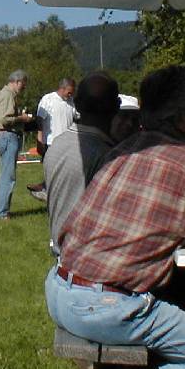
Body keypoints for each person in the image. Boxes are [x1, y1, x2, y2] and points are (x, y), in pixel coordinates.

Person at [45, 66, 185, 369]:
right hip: (105, 306)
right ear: (181, 118)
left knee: (184, 303)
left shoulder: (125, 149)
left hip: (59, 290)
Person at [43, 72, 120, 255]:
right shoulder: (107, 155)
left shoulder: (57, 145)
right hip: (88, 258)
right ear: (116, 106)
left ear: (76, 103)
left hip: (63, 255)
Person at [27, 77, 77, 201]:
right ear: (62, 89)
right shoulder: (48, 99)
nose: (70, 95)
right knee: (52, 172)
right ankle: (47, 192)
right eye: (69, 92)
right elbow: (40, 120)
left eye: (72, 92)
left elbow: (77, 116)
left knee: (65, 172)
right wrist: (40, 140)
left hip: (67, 143)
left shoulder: (71, 101)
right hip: (51, 143)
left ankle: (50, 191)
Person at [0, 69, 32, 220]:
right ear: (17, 81)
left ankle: (3, 211)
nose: (24, 87)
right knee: (8, 177)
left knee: (7, 175)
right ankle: (2, 213)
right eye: (23, 84)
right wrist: (22, 118)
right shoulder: (8, 95)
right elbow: (5, 119)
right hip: (8, 136)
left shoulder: (5, 94)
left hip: (5, 136)